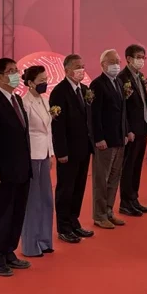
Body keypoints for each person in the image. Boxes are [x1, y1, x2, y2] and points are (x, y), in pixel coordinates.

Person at [0, 58, 32, 277]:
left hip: (21, 168)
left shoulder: (16, 99)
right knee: (1, 213)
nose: (16, 74)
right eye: (11, 71)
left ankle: (9, 251)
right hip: (2, 171)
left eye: (16, 70)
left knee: (17, 212)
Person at [49, 54, 96, 244]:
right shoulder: (59, 92)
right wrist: (61, 152)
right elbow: (57, 125)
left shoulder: (84, 90)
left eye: (82, 66)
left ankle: (74, 221)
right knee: (65, 189)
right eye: (77, 66)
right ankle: (63, 227)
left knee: (79, 187)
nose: (81, 70)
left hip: (84, 148)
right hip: (68, 151)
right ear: (67, 70)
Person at [90, 49, 128, 229]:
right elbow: (94, 114)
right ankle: (99, 215)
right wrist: (98, 138)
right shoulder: (97, 85)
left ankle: (109, 210)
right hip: (104, 141)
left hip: (119, 138)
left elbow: (122, 111)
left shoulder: (119, 82)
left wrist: (125, 132)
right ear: (103, 64)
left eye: (118, 62)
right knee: (101, 179)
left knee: (114, 178)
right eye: (112, 62)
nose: (116, 65)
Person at [20, 65, 56, 257]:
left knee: (46, 199)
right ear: (30, 83)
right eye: (41, 80)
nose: (45, 83)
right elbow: (24, 133)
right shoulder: (24, 103)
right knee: (32, 201)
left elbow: (48, 130)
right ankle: (30, 244)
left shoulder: (45, 100)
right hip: (32, 155)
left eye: (46, 79)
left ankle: (44, 240)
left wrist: (51, 153)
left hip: (44, 154)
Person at [118, 44, 147, 217]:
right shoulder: (122, 78)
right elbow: (122, 108)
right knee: (128, 166)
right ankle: (125, 202)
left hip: (142, 127)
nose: (141, 60)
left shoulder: (139, 76)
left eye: (143, 57)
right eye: (138, 57)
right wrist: (127, 129)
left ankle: (134, 198)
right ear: (129, 59)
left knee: (137, 165)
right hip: (131, 130)